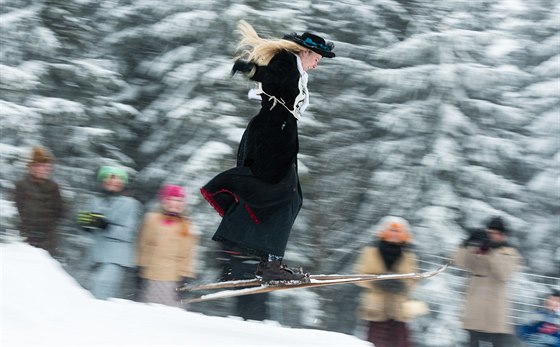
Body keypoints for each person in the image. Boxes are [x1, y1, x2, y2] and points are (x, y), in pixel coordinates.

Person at [200, 20, 335, 281]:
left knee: (288, 198)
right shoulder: (286, 63)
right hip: (273, 135)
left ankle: (270, 261)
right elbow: (268, 76)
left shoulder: (295, 69)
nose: (317, 64)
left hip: (279, 135)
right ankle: (271, 263)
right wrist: (250, 70)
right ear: (304, 52)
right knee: (284, 196)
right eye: (316, 58)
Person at [452, 216, 522, 347]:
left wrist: (492, 250)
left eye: (494, 233)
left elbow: (504, 273)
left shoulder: (510, 252)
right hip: (474, 310)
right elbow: (459, 262)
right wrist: (465, 244)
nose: (491, 236)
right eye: (489, 232)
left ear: (503, 235)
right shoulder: (480, 248)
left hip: (494, 314)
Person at [77, 166, 142, 300]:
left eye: (117, 179)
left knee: (101, 289)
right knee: (85, 293)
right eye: (109, 178)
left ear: (123, 183)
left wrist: (106, 226)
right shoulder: (94, 201)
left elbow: (129, 233)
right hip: (94, 256)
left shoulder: (131, 204)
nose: (112, 182)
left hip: (115, 258)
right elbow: (85, 223)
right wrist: (85, 225)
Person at [354, 216, 418, 347]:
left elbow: (414, 279)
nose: (394, 235)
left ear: (404, 235)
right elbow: (358, 276)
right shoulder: (369, 252)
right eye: (391, 231)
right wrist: (376, 282)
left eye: (398, 232)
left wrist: (401, 285)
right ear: (382, 232)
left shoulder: (409, 255)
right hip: (375, 311)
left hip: (399, 312)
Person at [136, 184, 198, 307]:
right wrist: (139, 270)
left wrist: (184, 277)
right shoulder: (151, 219)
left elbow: (188, 255)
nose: (175, 204)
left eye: (179, 200)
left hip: (173, 278)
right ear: (164, 201)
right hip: (151, 275)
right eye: (171, 199)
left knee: (168, 313)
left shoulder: (187, 225)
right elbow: (143, 246)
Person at [14, 146, 65, 257]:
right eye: (40, 165)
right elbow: (19, 210)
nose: (44, 169)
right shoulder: (21, 185)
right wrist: (27, 230)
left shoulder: (53, 187)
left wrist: (48, 229)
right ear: (32, 167)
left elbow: (60, 211)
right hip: (27, 236)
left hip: (48, 238)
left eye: (46, 166)